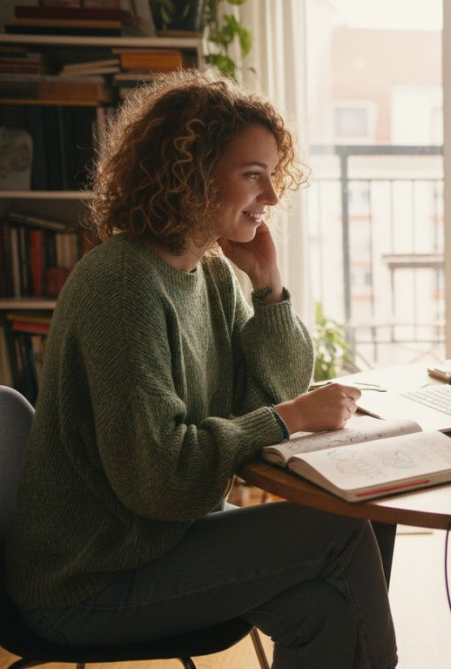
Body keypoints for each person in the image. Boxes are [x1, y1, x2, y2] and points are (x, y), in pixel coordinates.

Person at [3, 72, 397, 668]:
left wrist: (268, 288)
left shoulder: (207, 274)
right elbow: (161, 476)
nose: (269, 197)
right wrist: (286, 419)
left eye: (272, 176)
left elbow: (267, 390)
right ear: (189, 173)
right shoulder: (122, 284)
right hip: (90, 579)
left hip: (161, 540)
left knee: (325, 609)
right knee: (340, 530)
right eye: (251, 175)